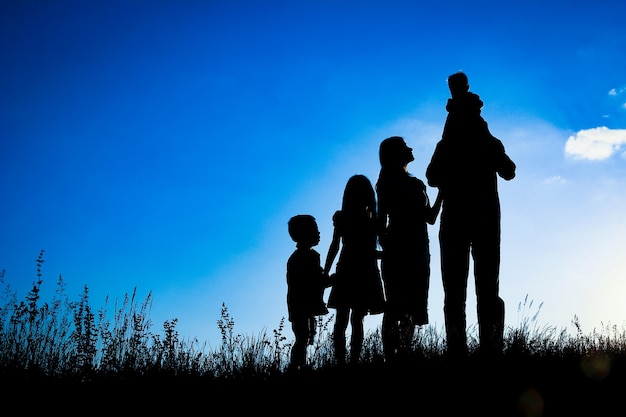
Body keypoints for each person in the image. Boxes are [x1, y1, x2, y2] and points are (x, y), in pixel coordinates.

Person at [426, 71, 516, 357]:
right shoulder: (486, 141)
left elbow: (432, 176)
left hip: (458, 219)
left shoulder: (450, 143)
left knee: (457, 291)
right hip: (483, 219)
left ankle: (461, 349)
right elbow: (509, 170)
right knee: (484, 287)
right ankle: (489, 348)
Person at [376, 136, 441, 360]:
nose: (411, 147)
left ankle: (404, 352)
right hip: (402, 250)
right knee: (395, 304)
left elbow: (430, 217)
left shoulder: (417, 184)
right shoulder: (387, 184)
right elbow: (381, 222)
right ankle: (391, 356)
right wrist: (387, 245)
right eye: (405, 146)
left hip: (419, 251)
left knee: (410, 306)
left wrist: (442, 192)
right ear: (396, 154)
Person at [323, 174, 385, 366]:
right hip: (361, 271)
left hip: (350, 270)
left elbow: (335, 246)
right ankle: (349, 362)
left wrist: (326, 272)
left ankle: (346, 361)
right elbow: (335, 246)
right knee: (355, 320)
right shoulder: (369, 221)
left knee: (346, 319)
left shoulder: (346, 219)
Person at [286, 214, 330, 371]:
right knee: (302, 338)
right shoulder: (307, 257)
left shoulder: (299, 256)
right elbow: (315, 281)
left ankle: (298, 367)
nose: (319, 233)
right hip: (302, 306)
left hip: (299, 306)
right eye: (315, 230)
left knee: (302, 338)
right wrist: (333, 280)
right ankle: (296, 368)